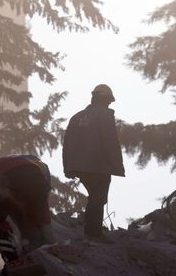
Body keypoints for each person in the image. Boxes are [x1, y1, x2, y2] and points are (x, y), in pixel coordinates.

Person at [63, 84, 124, 243]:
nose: (109, 104)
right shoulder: (105, 115)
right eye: (109, 101)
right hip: (99, 166)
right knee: (98, 198)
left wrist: (67, 167)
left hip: (79, 166)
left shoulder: (76, 117)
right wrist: (117, 165)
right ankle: (93, 233)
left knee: (94, 197)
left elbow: (67, 144)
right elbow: (110, 142)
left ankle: (91, 230)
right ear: (105, 99)